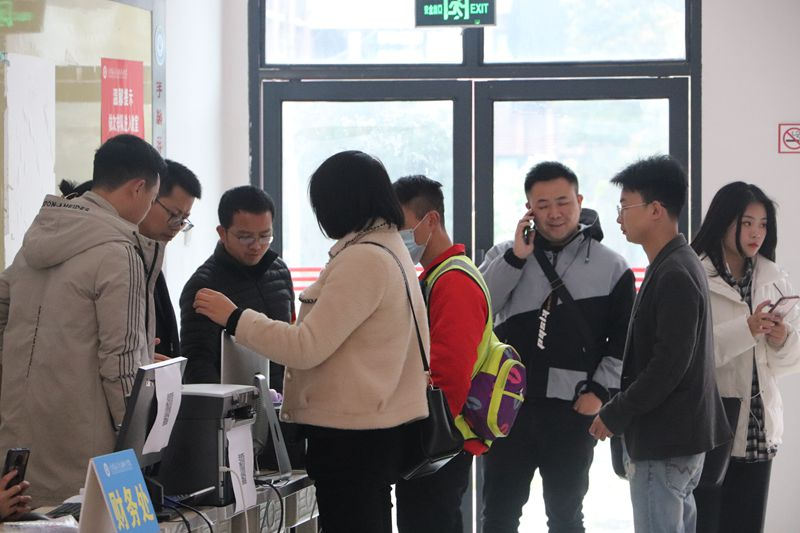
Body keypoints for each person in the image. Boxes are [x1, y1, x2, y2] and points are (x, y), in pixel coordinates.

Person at [192, 150, 429, 533]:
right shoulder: (390, 249)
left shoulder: (364, 259)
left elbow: (306, 346)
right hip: (374, 429)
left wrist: (235, 318)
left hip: (352, 436)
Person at [0, 134, 165, 505]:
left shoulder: (34, 243)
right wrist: (139, 444)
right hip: (93, 458)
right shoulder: (118, 252)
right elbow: (121, 363)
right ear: (138, 188)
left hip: (18, 448)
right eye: (153, 198)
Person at [479, 161, 635, 533]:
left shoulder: (612, 267)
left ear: (579, 201)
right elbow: (480, 308)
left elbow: (625, 341)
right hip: (508, 407)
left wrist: (599, 392)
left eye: (563, 201)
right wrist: (516, 257)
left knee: (566, 518)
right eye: (543, 204)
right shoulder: (506, 254)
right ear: (529, 209)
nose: (554, 213)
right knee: (498, 515)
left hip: (572, 410)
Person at [590, 155, 730, 533]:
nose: (619, 218)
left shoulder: (675, 272)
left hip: (665, 442)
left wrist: (616, 412)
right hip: (676, 440)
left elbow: (668, 365)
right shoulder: (675, 263)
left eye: (625, 207)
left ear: (655, 210)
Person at [690, 182, 800, 533]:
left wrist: (783, 340)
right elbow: (691, 354)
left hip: (758, 432)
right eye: (747, 223)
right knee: (705, 524)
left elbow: (785, 365)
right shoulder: (695, 274)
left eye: (763, 224)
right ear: (723, 222)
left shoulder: (774, 278)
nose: (756, 233)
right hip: (710, 427)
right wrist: (747, 329)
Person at [392, 175, 488, 533]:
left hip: (441, 441)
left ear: (430, 220)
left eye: (401, 227)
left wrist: (421, 440)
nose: (396, 238)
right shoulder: (435, 276)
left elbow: (449, 374)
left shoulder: (453, 280)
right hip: (438, 440)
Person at [180, 185, 294, 389]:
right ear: (222, 233)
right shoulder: (203, 286)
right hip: (237, 405)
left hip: (283, 402)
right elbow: (198, 367)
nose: (256, 246)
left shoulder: (280, 271)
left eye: (265, 236)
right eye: (245, 237)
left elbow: (290, 337)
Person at [139, 159, 202, 359]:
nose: (177, 226)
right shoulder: (118, 254)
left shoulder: (151, 253)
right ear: (148, 196)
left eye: (183, 219)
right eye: (174, 214)